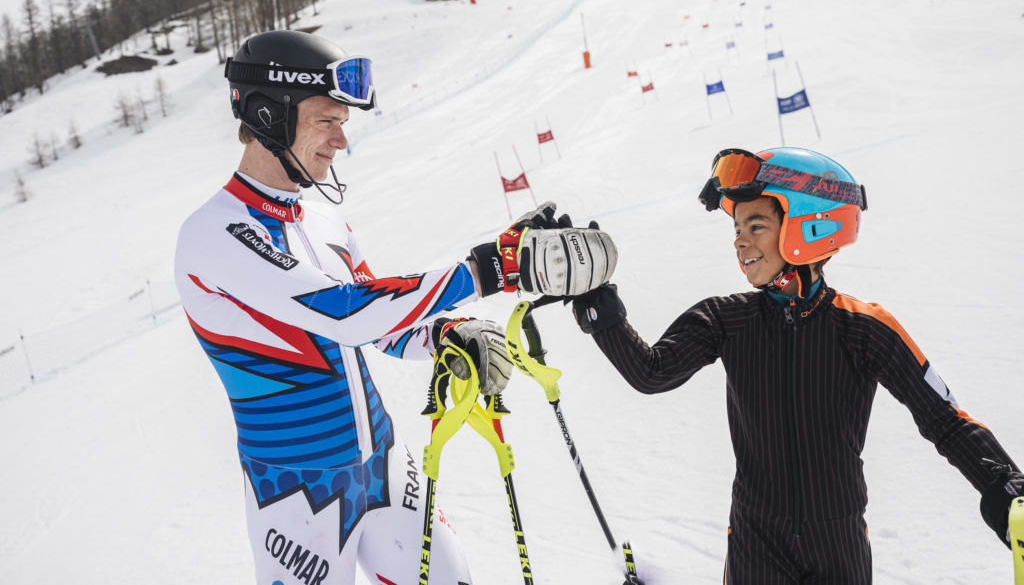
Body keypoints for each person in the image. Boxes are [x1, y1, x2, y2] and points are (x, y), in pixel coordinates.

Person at [174, 29, 617, 585]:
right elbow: (347, 312)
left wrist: (445, 335)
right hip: (294, 492)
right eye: (326, 120)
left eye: (344, 123)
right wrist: (490, 269)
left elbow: (383, 330)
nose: (340, 141)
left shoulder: (324, 222)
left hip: (385, 466)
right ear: (267, 116)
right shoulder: (215, 234)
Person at [570, 147, 1024, 583]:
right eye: (736, 228)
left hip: (839, 546)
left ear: (808, 227)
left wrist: (1006, 488)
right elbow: (652, 371)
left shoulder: (865, 328)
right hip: (755, 543)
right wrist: (597, 304)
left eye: (756, 224)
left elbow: (946, 421)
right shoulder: (726, 318)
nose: (739, 241)